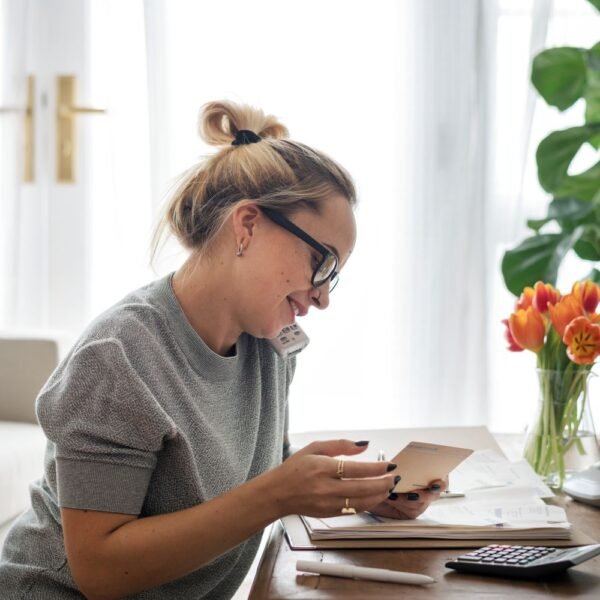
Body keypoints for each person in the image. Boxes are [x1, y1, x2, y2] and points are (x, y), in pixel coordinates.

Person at [0, 100, 446, 599]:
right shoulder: (117, 358)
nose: (321, 297)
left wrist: (358, 494)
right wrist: (279, 494)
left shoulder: (271, 345)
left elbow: (255, 477)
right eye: (320, 264)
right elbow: (99, 570)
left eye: (333, 278)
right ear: (248, 225)